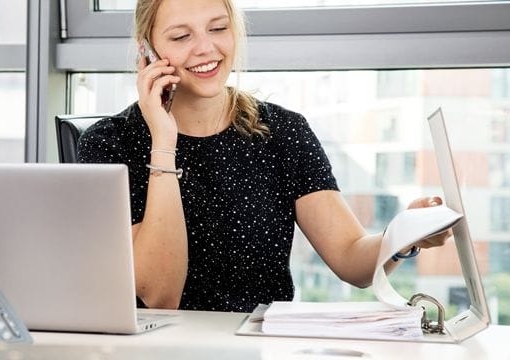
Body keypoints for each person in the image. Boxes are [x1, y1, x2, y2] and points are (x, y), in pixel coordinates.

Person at [77, 0, 451, 312]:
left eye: (218, 28)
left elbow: (352, 261)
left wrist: (403, 235)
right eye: (181, 36)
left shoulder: (284, 132)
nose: (206, 48)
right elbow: (160, 295)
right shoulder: (110, 144)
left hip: (257, 347)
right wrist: (163, 139)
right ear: (147, 49)